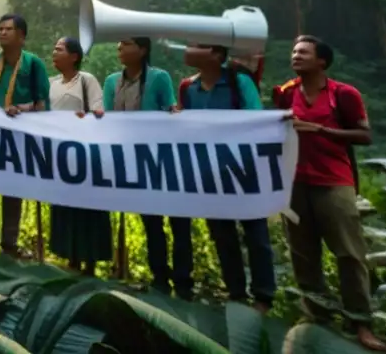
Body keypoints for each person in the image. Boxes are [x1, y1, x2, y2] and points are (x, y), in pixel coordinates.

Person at [273, 35, 386, 352]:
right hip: (294, 181)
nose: (296, 55)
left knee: (349, 254)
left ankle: (361, 323)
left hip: (334, 181)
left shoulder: (344, 94)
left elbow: (364, 135)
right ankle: (317, 316)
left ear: (321, 60)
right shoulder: (284, 92)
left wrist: (323, 131)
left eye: (303, 52)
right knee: (302, 253)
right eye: (294, 50)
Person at [179, 44, 276, 312]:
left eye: (199, 46)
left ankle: (263, 296)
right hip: (210, 171)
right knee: (222, 235)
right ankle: (236, 293)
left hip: (244, 168)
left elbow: (255, 119)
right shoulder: (188, 87)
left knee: (256, 234)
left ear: (218, 55)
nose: (189, 49)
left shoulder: (239, 81)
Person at [102, 37, 191, 299]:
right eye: (118, 43)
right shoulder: (111, 82)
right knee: (152, 223)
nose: (120, 47)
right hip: (136, 161)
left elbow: (169, 109)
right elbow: (108, 118)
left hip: (164, 157)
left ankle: (184, 280)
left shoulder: (159, 78)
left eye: (127, 44)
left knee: (179, 223)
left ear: (142, 50)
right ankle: (160, 277)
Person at [0, 14, 50, 258]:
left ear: (22, 36)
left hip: (18, 135)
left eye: (8, 29)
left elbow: (42, 103)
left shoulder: (34, 63)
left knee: (12, 187)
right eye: (0, 29)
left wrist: (22, 108)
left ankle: (9, 242)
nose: (2, 33)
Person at [48, 37, 111, 276]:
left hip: (85, 155)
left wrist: (92, 116)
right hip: (60, 155)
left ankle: (91, 262)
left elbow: (98, 109)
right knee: (65, 208)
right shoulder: (50, 83)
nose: (54, 53)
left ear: (74, 56)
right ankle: (71, 258)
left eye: (59, 49)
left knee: (89, 208)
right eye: (54, 49)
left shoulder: (87, 81)